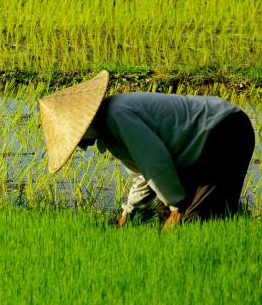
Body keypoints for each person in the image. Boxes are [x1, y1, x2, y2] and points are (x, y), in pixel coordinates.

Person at [38, 70, 256, 230]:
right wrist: (128, 215)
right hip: (197, 147)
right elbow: (145, 174)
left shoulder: (117, 116)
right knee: (167, 217)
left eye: (76, 139)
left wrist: (176, 206)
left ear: (86, 125)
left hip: (224, 133)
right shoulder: (110, 130)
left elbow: (155, 161)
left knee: (196, 226)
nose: (79, 146)